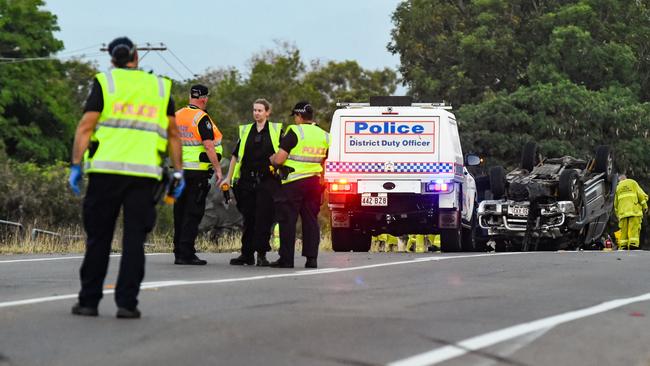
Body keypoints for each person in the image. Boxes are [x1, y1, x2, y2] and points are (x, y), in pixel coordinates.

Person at [68, 36, 184, 319]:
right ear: (136, 57)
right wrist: (178, 171)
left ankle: (89, 302)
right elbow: (172, 134)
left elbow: (86, 126)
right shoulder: (159, 87)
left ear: (112, 59)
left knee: (99, 238)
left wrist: (75, 165)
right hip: (144, 176)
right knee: (134, 240)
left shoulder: (106, 83)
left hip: (105, 174)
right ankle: (127, 304)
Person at [221, 99, 282, 266]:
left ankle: (261, 255)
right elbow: (235, 156)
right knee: (248, 218)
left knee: (264, 219)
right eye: (254, 110)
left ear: (267, 112)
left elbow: (283, 154)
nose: (256, 113)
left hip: (267, 181)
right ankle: (246, 254)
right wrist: (229, 176)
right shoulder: (246, 130)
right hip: (247, 181)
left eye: (260, 110)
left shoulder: (276, 130)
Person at [269, 101, 329, 268]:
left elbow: (280, 159)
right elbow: (328, 161)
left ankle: (286, 259)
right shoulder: (325, 135)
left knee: (288, 221)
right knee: (310, 220)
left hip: (293, 182)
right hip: (315, 183)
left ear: (299, 116)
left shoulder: (294, 131)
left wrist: (272, 159)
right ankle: (312, 259)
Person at [172, 85, 223, 265]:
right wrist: (218, 169)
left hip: (178, 171)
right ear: (204, 98)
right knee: (192, 213)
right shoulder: (201, 118)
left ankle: (178, 250)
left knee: (179, 211)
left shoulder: (177, 115)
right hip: (196, 173)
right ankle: (186, 253)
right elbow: (209, 145)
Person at [614, 174, 648, 250]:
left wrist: (617, 215)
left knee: (624, 230)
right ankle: (633, 244)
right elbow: (640, 195)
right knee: (634, 228)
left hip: (622, 212)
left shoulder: (618, 187)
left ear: (619, 180)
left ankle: (623, 245)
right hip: (634, 210)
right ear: (626, 178)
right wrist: (645, 206)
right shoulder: (632, 182)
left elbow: (615, 204)